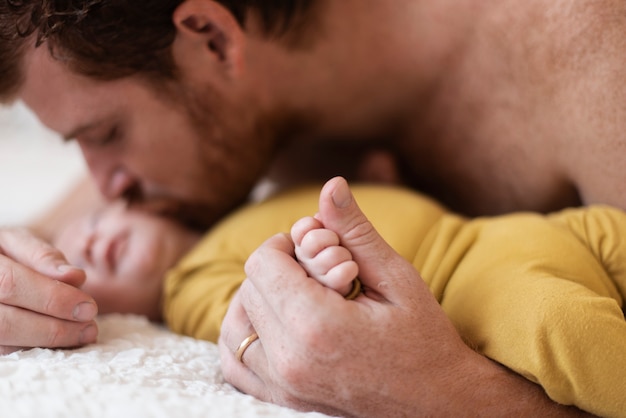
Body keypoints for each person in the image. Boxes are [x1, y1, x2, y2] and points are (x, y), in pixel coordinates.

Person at [0, 0, 623, 415]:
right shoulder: (249, 112)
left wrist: (448, 395)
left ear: (211, 37)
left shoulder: (592, 68)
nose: (106, 187)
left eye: (105, 135)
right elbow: (46, 238)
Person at [54, 177, 626, 417]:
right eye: (79, 260)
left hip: (528, 228)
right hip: (477, 283)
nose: (93, 239)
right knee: (563, 328)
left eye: (96, 219)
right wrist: (318, 277)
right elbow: (270, 312)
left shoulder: (258, 194)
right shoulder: (190, 285)